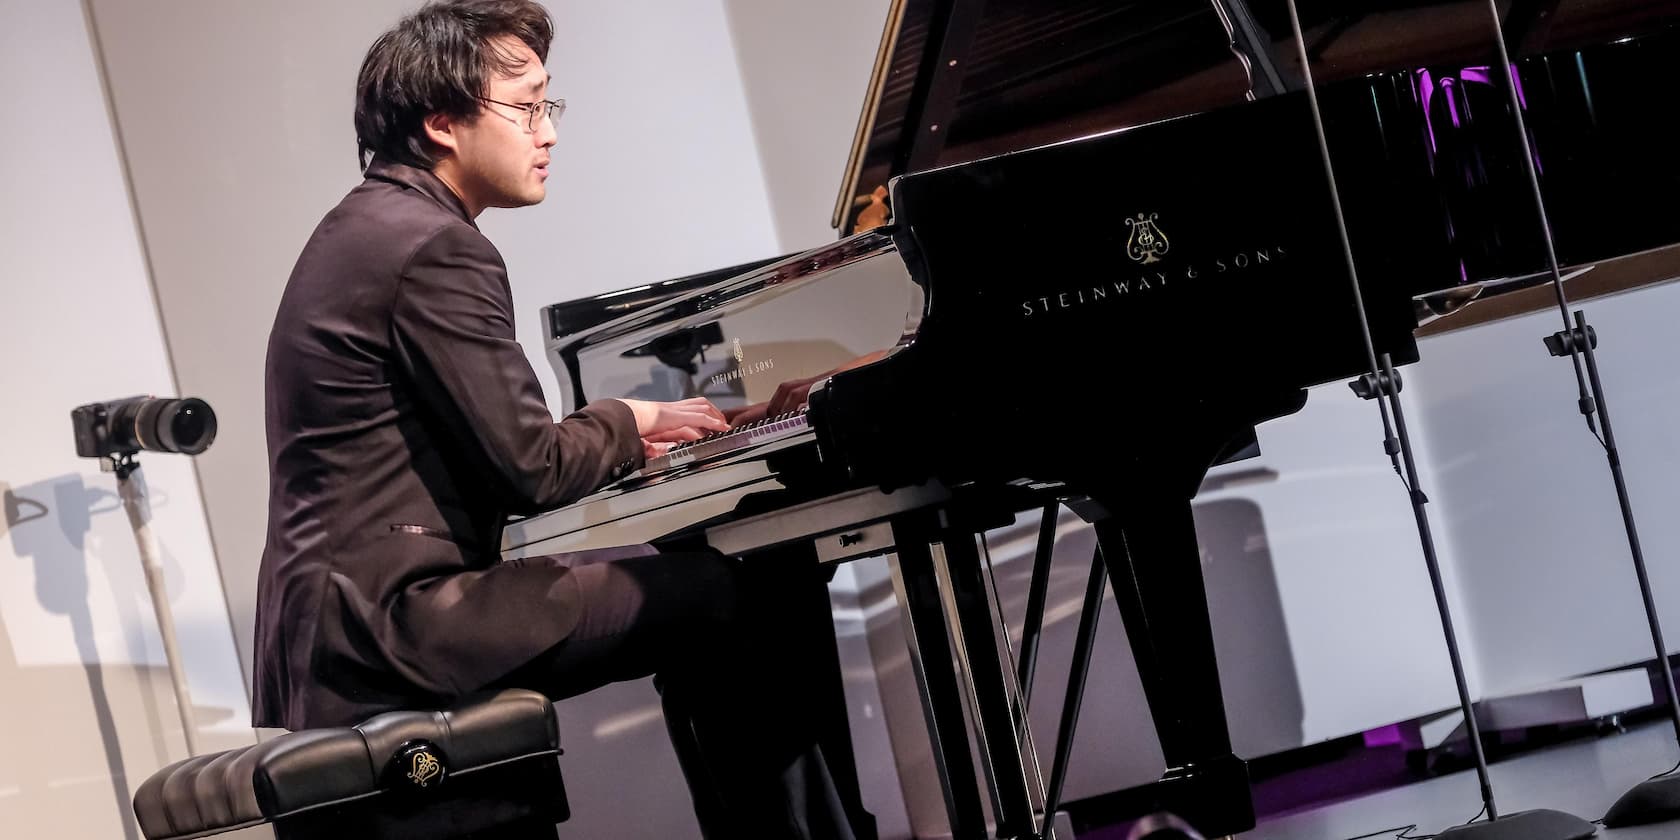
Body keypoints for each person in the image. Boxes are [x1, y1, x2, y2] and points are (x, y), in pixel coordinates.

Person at [250, 2, 876, 837]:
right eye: (525, 106)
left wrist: (624, 442)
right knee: (743, 591)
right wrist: (627, 416)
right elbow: (533, 468)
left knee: (702, 577)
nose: (548, 131)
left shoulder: (368, 227)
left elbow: (488, 461)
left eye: (551, 106)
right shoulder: (438, 247)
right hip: (400, 622)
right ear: (443, 121)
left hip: (338, 623)